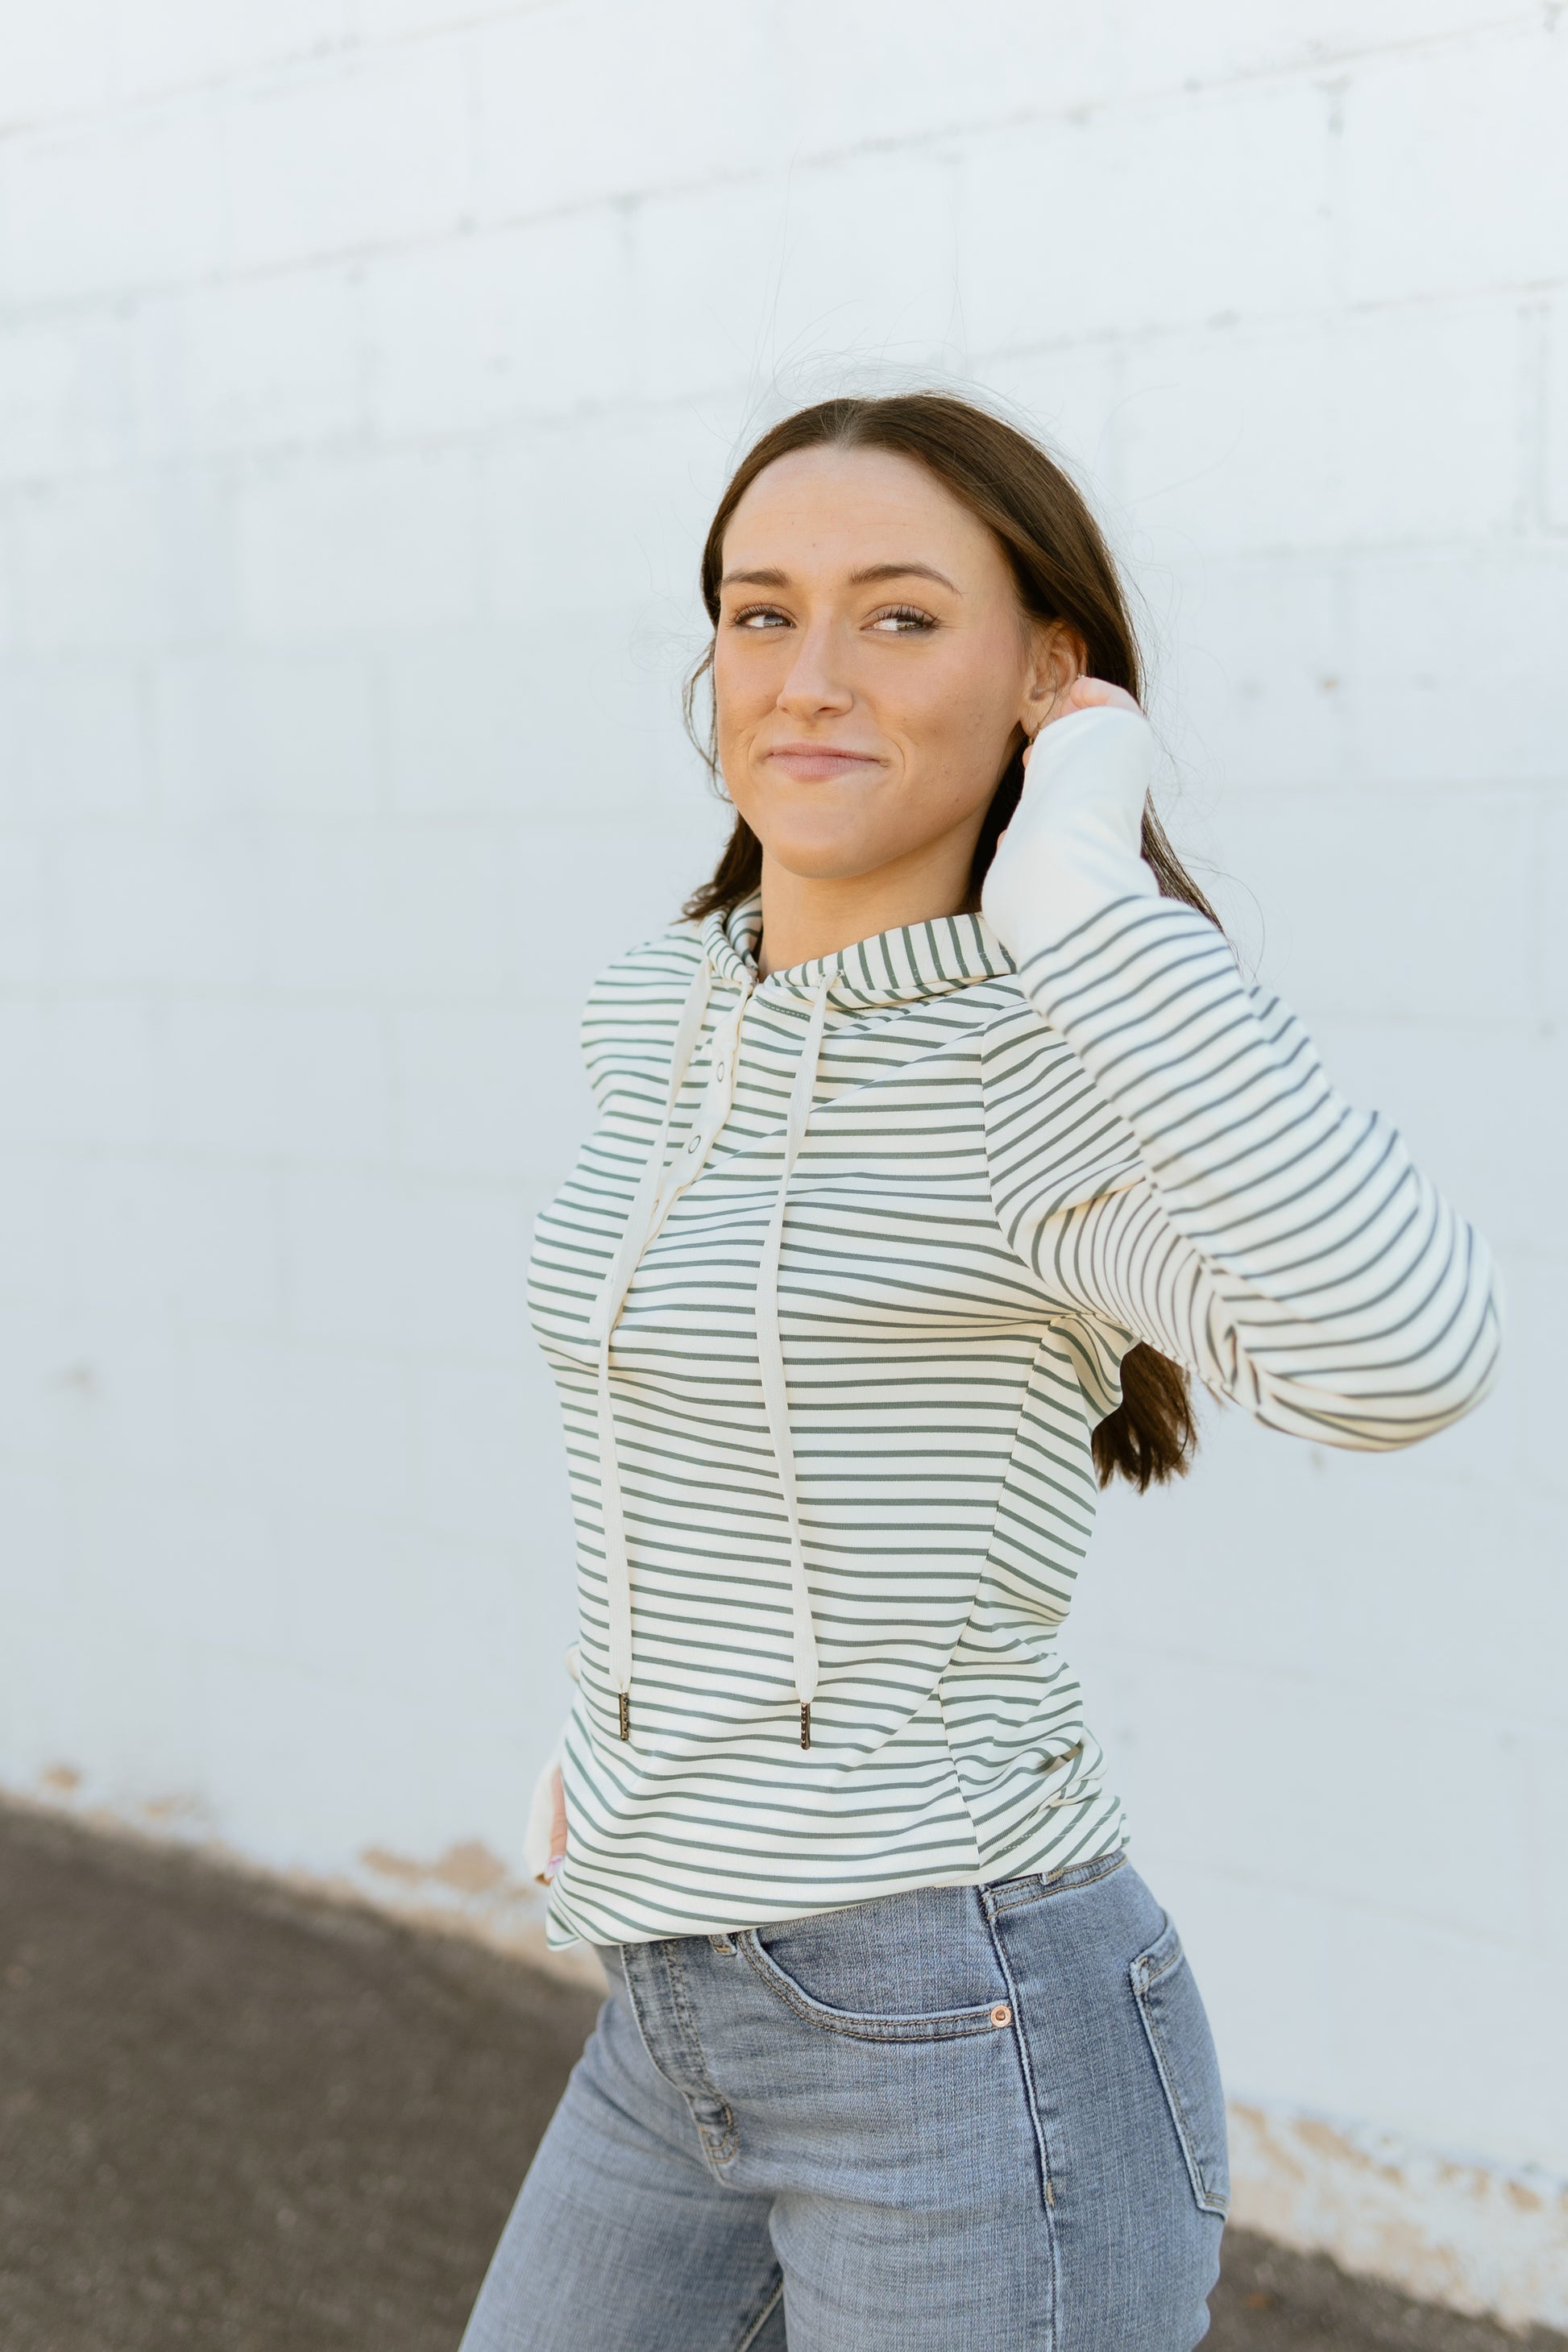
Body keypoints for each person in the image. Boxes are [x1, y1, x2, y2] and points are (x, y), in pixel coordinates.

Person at [459, 393, 1499, 2352]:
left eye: (902, 617)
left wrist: (1081, 891)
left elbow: (1408, 1353)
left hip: (959, 2025)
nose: (812, 676)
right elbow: (689, 1413)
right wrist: (645, 1735)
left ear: (1049, 673)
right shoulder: (662, 1015)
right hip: (673, 1991)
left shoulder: (1041, 1065)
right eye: (760, 615)